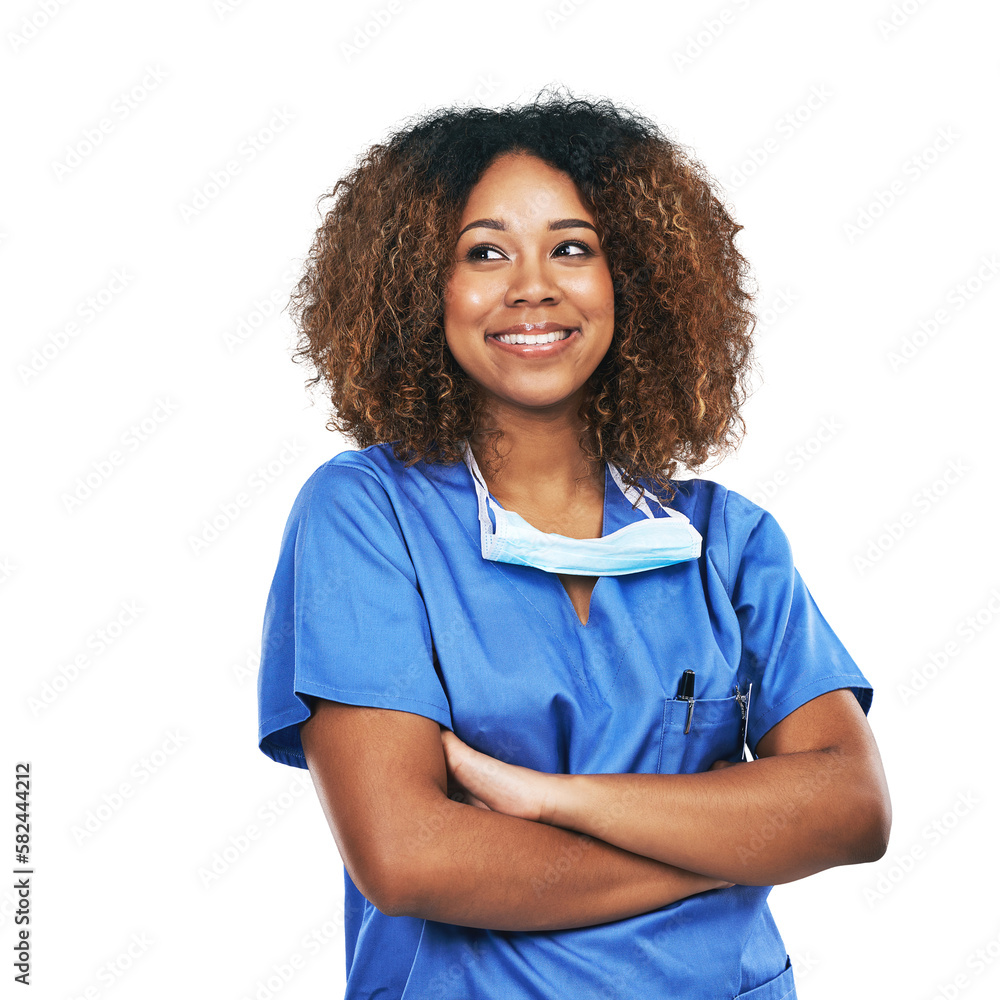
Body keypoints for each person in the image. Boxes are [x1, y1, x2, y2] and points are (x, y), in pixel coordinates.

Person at [256, 87, 891, 999]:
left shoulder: (726, 539)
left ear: (632, 278)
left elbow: (850, 809)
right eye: (484, 252)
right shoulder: (365, 516)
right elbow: (408, 857)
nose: (533, 285)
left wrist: (554, 799)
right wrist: (729, 850)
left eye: (573, 248)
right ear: (416, 288)